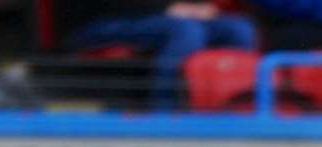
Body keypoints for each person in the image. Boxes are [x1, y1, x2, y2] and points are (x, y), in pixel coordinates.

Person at [69, 2, 259, 111]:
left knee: (239, 29)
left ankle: (231, 107)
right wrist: (166, 8)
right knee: (186, 31)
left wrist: (198, 8)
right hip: (102, 20)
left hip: (164, 17)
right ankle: (166, 110)